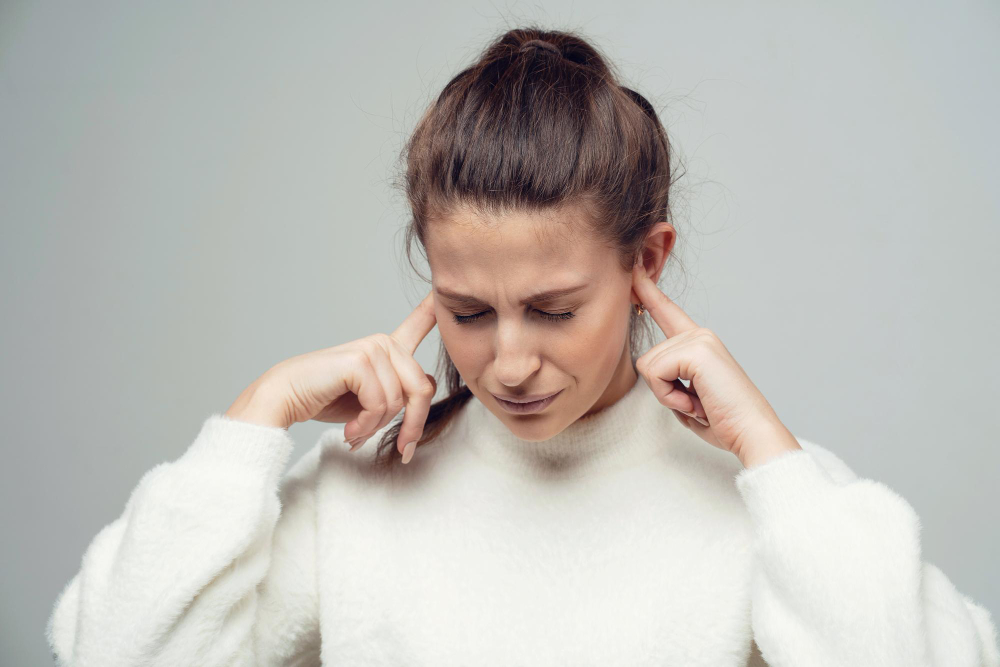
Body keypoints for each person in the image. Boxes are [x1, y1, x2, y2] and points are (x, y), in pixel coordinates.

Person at [46, 26, 998, 667]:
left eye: (552, 310)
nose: (505, 363)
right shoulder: (360, 488)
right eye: (467, 310)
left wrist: (776, 461)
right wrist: (255, 418)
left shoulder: (772, 508)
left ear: (646, 261)